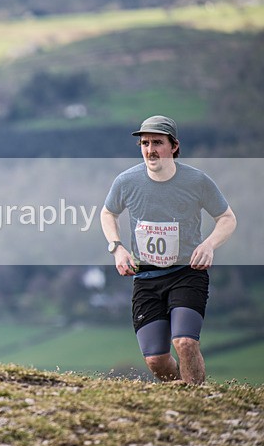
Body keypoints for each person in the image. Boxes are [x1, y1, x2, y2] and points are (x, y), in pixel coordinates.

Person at [100, 115, 236, 385]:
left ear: (174, 146)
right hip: (146, 278)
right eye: (145, 143)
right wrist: (117, 248)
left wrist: (208, 244)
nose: (150, 150)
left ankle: (200, 403)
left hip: (187, 273)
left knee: (184, 342)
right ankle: (184, 395)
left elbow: (227, 218)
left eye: (157, 143)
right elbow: (107, 213)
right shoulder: (126, 181)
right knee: (156, 360)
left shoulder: (197, 181)